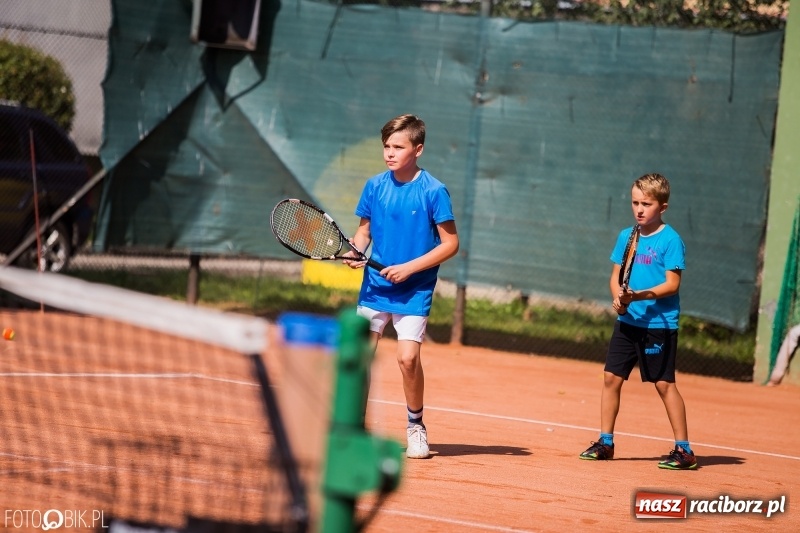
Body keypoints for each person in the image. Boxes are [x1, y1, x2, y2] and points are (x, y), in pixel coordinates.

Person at [343, 114, 459, 459]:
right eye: (386, 146)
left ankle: (415, 426)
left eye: (398, 146)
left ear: (417, 149)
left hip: (414, 289)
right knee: (360, 356)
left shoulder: (434, 191)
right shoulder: (374, 186)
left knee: (407, 360)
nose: (389, 153)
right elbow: (364, 231)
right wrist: (356, 250)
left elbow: (450, 244)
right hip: (375, 287)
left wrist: (409, 269)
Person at [579, 173, 697, 470]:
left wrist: (638, 296)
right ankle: (606, 443)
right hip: (628, 322)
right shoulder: (627, 237)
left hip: (659, 325)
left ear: (663, 207)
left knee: (664, 384)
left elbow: (672, 284)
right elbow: (616, 277)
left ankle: (684, 450)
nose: (639, 209)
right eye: (635, 203)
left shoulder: (671, 240)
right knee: (611, 378)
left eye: (647, 204)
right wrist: (619, 299)